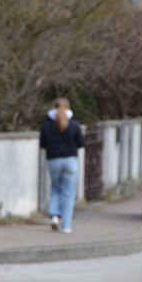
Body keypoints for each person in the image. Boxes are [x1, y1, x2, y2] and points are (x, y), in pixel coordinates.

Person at [39, 97, 85, 233]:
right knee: (68, 194)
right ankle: (66, 226)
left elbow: (43, 144)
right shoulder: (74, 125)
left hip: (53, 161)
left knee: (56, 190)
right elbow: (81, 143)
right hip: (70, 161)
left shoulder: (46, 126)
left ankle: (54, 215)